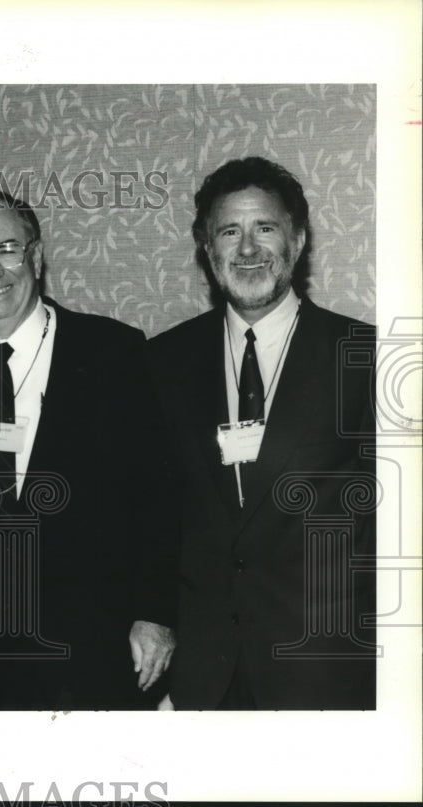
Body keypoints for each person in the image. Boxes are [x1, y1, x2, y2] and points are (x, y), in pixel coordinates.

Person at [0, 184, 179, 709]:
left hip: (96, 653)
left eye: (6, 249)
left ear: (38, 255)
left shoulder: (114, 354)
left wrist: (156, 614)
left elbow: (160, 498)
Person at [149, 156, 376, 709]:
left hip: (325, 675)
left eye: (265, 228)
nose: (247, 249)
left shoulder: (364, 358)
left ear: (297, 241)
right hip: (205, 678)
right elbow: (152, 513)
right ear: (208, 250)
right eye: (229, 231)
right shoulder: (163, 363)